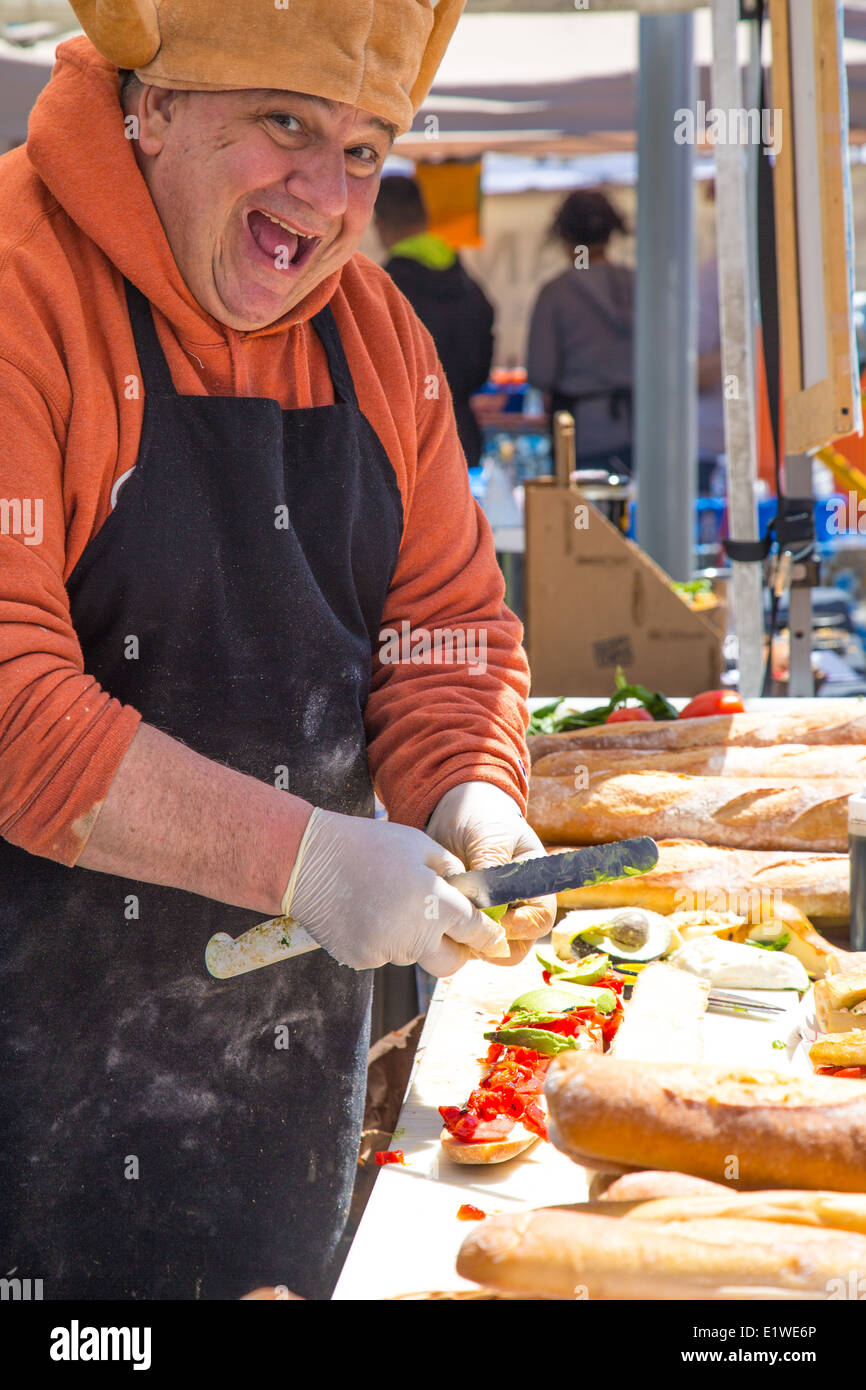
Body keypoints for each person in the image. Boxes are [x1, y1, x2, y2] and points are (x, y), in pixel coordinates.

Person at [0, 0, 555, 1301]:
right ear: (156, 106)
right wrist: (303, 858)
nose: (324, 189)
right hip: (31, 1093)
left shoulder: (377, 337)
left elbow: (449, 638)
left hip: (280, 1096)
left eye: (364, 149)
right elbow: (13, 705)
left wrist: (471, 796)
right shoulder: (21, 290)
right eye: (286, 123)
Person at [374, 174, 495, 468]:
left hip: (404, 442)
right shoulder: (468, 283)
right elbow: (481, 364)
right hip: (462, 435)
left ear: (378, 224)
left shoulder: (381, 291)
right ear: (426, 216)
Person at [527, 188, 634, 473]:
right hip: (645, 428)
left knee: (586, 516)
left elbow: (541, 372)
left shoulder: (557, 293)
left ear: (564, 236)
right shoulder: (639, 283)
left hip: (582, 435)